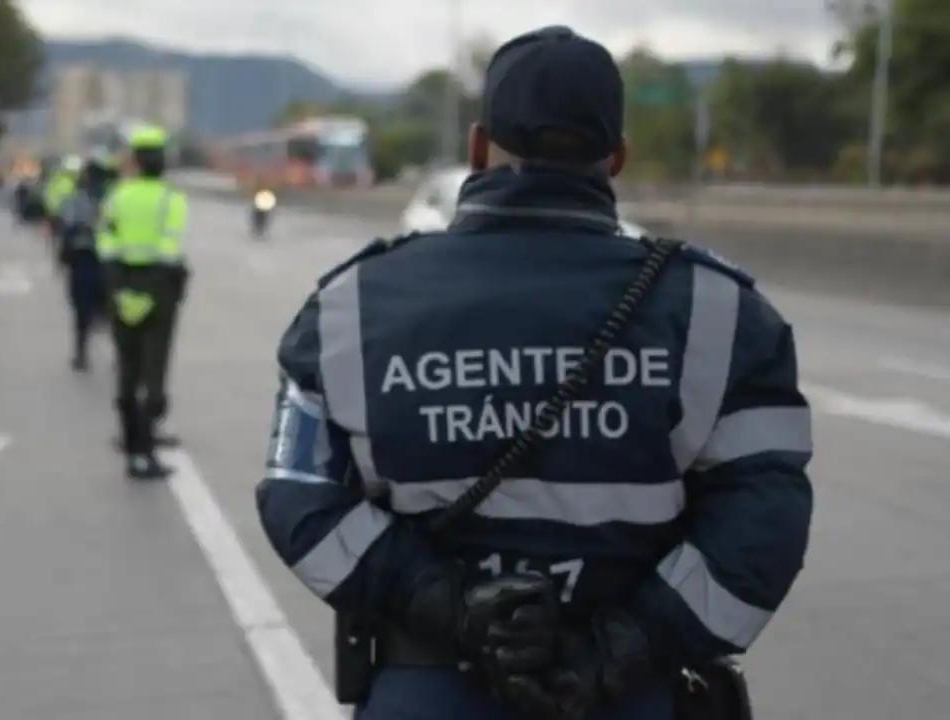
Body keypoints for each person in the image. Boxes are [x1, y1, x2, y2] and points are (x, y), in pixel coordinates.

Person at [256, 26, 812, 720]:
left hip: (426, 694)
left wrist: (445, 606)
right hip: (628, 698)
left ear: (479, 148)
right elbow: (766, 521)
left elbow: (298, 499)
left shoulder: (349, 306)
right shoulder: (719, 311)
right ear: (616, 158)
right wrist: (624, 648)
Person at [98, 126, 189, 480]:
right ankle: (146, 452)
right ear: (164, 161)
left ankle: (129, 445)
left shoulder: (117, 195)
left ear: (134, 160)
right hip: (159, 292)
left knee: (126, 368)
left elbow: (105, 242)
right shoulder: (172, 199)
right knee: (154, 371)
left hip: (121, 287)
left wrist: (119, 284)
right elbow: (172, 251)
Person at [57, 157, 117, 371]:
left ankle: (82, 354)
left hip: (88, 259)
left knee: (85, 309)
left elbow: (67, 229)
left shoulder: (78, 200)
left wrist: (63, 257)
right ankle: (88, 354)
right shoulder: (112, 198)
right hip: (99, 260)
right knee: (107, 310)